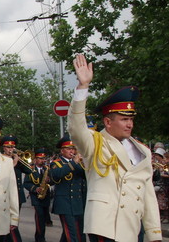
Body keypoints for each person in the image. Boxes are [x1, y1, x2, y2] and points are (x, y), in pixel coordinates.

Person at [68, 54, 162, 242]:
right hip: (105, 227)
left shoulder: (143, 151)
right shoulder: (95, 142)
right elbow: (75, 127)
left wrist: (154, 234)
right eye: (124, 119)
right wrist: (83, 87)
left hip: (131, 227)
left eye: (131, 119)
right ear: (108, 122)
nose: (129, 124)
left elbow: (148, 195)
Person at [49, 135, 86, 242]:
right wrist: (74, 162)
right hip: (64, 203)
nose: (72, 151)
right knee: (72, 235)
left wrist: (86, 162)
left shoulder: (78, 163)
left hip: (78, 203)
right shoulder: (56, 163)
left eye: (73, 148)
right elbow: (57, 175)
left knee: (78, 234)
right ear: (62, 151)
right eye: (69, 149)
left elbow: (86, 176)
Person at [23, 148, 52, 242]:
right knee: (39, 217)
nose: (42, 160)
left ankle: (40, 236)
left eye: (44, 158)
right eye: (40, 158)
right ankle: (40, 238)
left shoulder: (47, 169)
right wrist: (35, 189)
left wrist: (49, 181)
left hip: (46, 197)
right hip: (36, 198)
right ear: (35, 159)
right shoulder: (30, 170)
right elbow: (26, 183)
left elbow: (52, 181)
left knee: (44, 218)